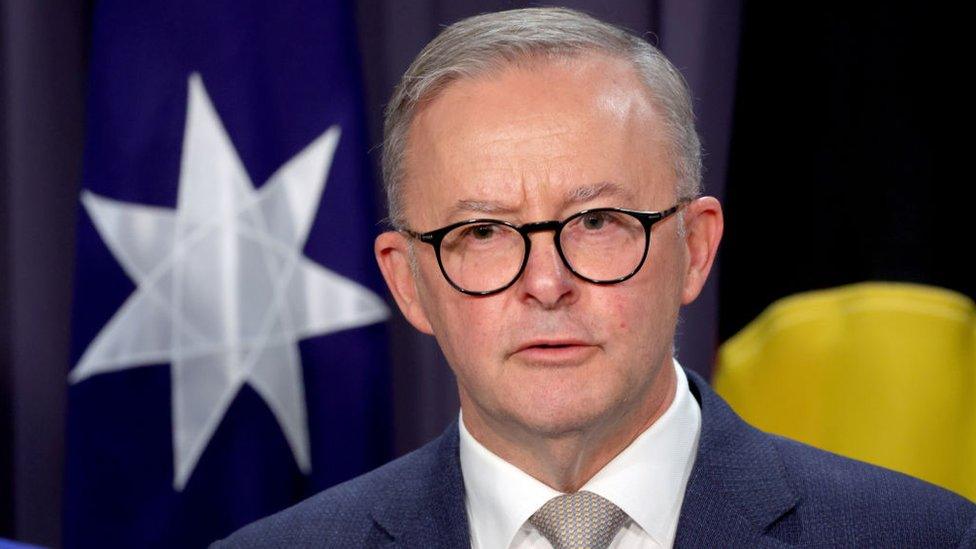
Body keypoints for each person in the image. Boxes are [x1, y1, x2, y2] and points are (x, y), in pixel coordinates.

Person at [216, 8, 975, 548]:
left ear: (695, 246)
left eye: (598, 221)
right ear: (409, 280)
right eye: (482, 231)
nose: (546, 283)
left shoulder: (927, 537)